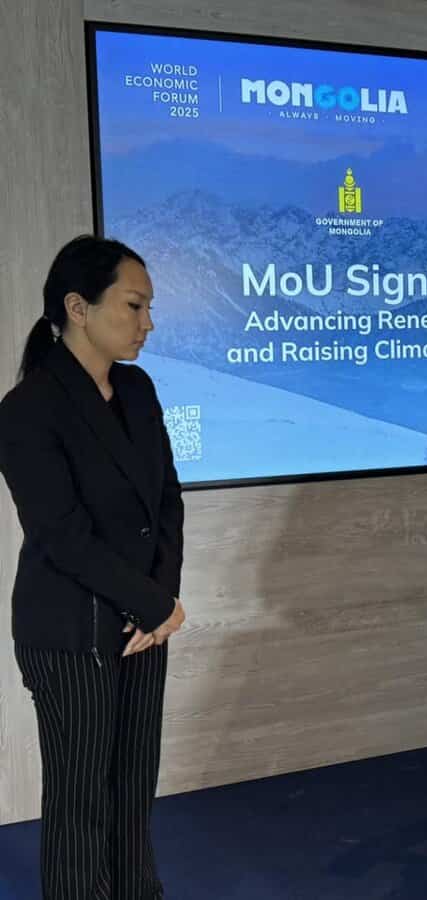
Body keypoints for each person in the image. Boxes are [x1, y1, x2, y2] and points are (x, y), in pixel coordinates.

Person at [0, 235, 186, 899]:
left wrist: (159, 602)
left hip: (143, 624)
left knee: (134, 788)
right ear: (78, 307)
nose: (147, 324)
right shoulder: (27, 409)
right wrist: (154, 603)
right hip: (70, 630)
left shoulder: (137, 389)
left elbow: (167, 501)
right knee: (80, 802)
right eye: (133, 306)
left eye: (148, 308)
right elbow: (63, 536)